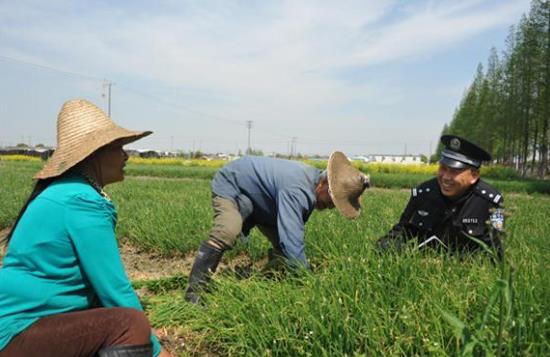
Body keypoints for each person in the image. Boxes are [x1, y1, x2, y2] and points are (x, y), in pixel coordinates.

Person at [0, 99, 172, 357]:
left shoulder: (66, 191)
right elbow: (114, 289)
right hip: (17, 330)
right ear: (95, 153)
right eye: (119, 147)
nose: (126, 156)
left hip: (25, 322)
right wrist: (158, 352)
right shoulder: (81, 200)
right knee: (129, 324)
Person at [184, 151, 371, 303]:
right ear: (323, 185)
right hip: (234, 184)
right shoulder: (297, 189)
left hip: (264, 200)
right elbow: (292, 239)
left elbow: (291, 235)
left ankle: (271, 280)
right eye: (333, 201)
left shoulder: (311, 186)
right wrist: (306, 281)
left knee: (284, 251)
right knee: (228, 231)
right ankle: (195, 292)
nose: (331, 207)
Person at [377, 135, 505, 259]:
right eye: (443, 168)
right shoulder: (423, 194)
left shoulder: (491, 202)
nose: (445, 177)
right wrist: (389, 248)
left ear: (474, 176)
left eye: (454, 171)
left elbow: (495, 251)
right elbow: (401, 232)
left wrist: (448, 263)